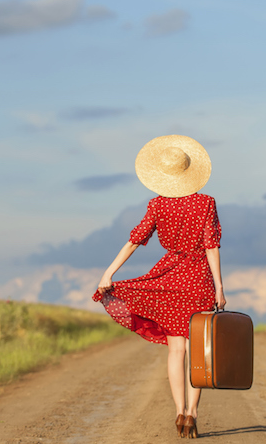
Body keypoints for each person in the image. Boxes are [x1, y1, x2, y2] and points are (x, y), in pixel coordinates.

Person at [93, 134, 226, 439]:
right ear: (191, 170)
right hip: (198, 281)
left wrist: (108, 273)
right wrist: (219, 286)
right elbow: (211, 246)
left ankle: (179, 410)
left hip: (169, 279)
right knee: (198, 352)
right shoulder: (206, 203)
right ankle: (193, 413)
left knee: (175, 350)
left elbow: (135, 240)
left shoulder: (157, 204)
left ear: (163, 175)